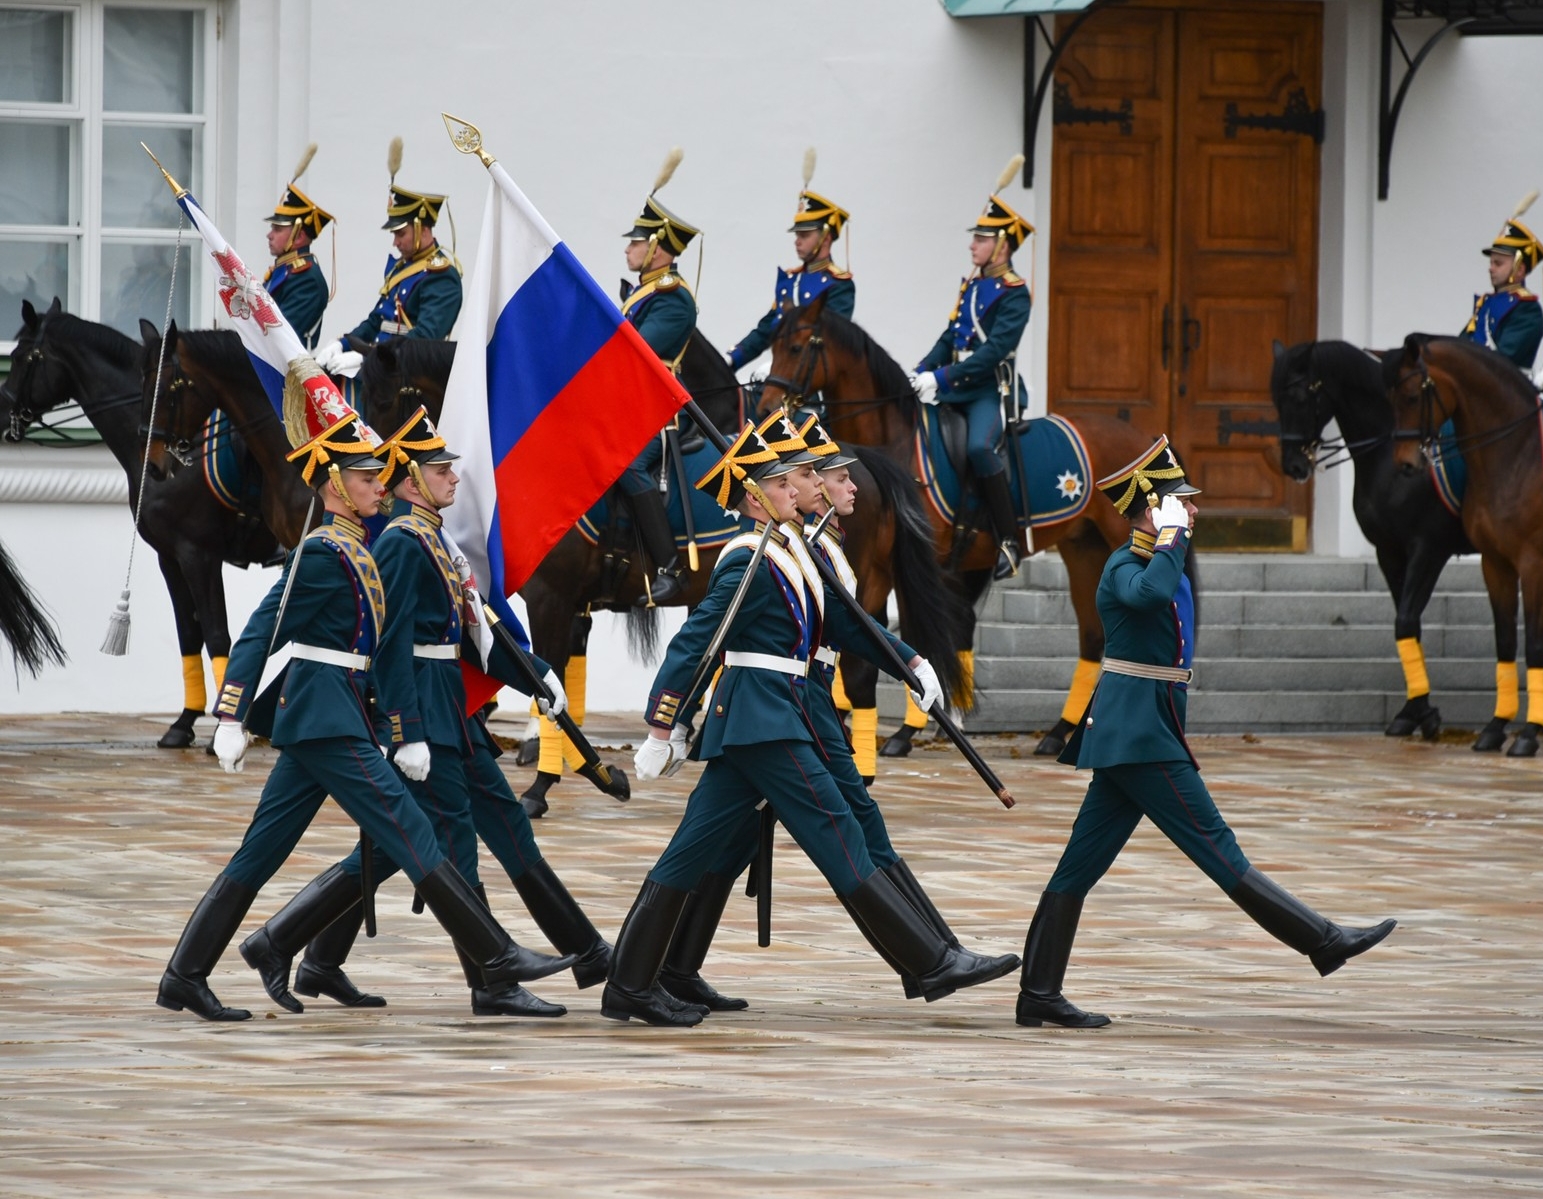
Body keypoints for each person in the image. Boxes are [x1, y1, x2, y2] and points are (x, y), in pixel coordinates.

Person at [155, 361, 568, 1022]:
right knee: (412, 827)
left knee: (261, 852)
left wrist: (401, 725)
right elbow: (263, 630)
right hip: (323, 717)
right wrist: (228, 712)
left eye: (380, 475)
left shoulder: (358, 549)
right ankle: (495, 957)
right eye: (367, 477)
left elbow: (382, 649)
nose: (380, 484)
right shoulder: (320, 550)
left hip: (334, 713)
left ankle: (186, 972)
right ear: (333, 486)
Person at [600, 422, 1018, 1027]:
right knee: (836, 829)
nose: (795, 490)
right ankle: (929, 961)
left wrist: (910, 662)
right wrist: (663, 724)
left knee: (694, 850)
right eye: (778, 482)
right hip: (764, 715)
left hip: (777, 712)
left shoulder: (785, 551)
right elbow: (698, 642)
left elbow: (843, 627)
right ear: (752, 497)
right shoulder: (747, 559)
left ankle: (634, 983)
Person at [234, 406, 610, 1018]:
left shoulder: (435, 540)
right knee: (446, 843)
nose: (454, 478)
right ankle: (493, 979)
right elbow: (389, 641)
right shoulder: (407, 545)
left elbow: (475, 632)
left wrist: (535, 676)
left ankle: (309, 954)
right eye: (440, 469)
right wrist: (404, 730)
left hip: (452, 712)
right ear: (411, 480)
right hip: (426, 716)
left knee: (472, 836)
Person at [1015, 436, 1397, 1029]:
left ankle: (1038, 992)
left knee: (1077, 868)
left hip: (1142, 730)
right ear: (1152, 510)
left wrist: (1171, 537)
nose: (1193, 512)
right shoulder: (1126, 564)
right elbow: (1153, 594)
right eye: (1180, 503)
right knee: (1220, 850)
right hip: (1141, 737)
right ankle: (1322, 941)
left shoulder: (1156, 557)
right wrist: (1169, 536)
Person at [912, 159, 1032, 581]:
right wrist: (923, 369)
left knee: (980, 449)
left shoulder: (1016, 295)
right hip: (953, 387)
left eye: (981, 239)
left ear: (1002, 245)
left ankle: (1008, 540)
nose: (972, 246)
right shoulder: (973, 284)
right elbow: (951, 336)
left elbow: (995, 351)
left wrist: (941, 379)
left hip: (987, 391)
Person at [617, 149, 700, 606]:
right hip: (628, 401)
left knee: (628, 463)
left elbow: (638, 354)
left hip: (658, 409)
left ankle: (670, 567)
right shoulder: (641, 294)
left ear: (657, 247)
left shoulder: (673, 298)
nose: (627, 247)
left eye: (635, 241)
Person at [314, 146, 462, 376]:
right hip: (384, 370)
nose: (395, 242)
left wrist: (370, 355)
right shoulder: (402, 269)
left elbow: (424, 338)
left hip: (408, 378)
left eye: (400, 234)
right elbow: (376, 321)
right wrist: (342, 344)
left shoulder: (441, 276)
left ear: (421, 228)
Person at [726, 151, 854, 373]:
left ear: (826, 237)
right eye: (797, 235)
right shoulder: (790, 280)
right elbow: (767, 329)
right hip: (779, 379)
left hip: (811, 387)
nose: (797, 241)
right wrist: (731, 359)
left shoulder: (839, 285)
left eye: (804, 235)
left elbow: (827, 340)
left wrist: (779, 365)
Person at [262, 147, 332, 350]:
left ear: (299, 236)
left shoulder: (306, 278)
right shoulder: (284, 271)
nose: (270, 234)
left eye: (277, 229)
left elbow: (280, 334)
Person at [1462, 195, 1542, 371]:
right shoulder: (1486, 302)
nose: (1490, 269)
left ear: (1519, 270)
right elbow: (1461, 346)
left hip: (1509, 393)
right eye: (1491, 263)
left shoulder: (1527, 308)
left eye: (1498, 263)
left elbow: (1503, 359)